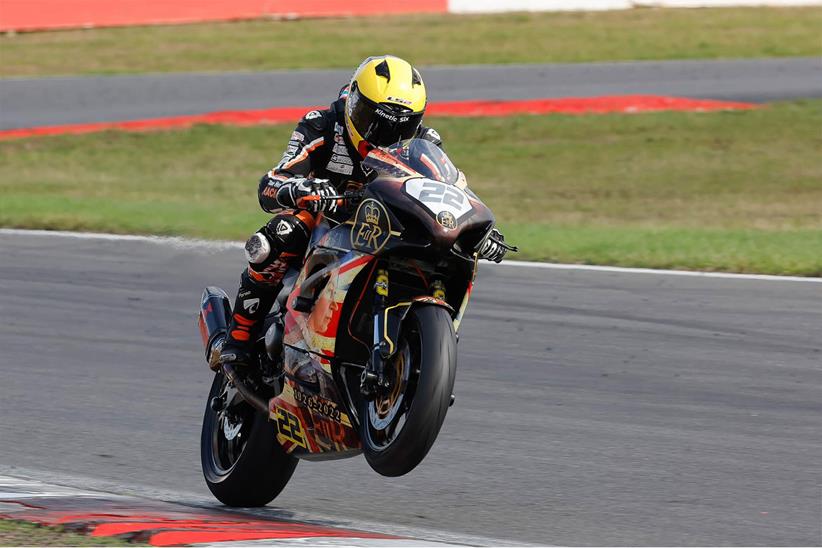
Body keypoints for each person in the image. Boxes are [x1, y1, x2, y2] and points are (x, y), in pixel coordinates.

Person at [218, 55, 509, 368]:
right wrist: (302, 189)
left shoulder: (424, 142)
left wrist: (479, 229)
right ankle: (239, 340)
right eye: (375, 120)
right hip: (326, 222)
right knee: (279, 235)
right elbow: (274, 181)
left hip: (386, 227)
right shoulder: (324, 124)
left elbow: (451, 189)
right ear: (354, 101)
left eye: (402, 126)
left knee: (450, 253)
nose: (384, 136)